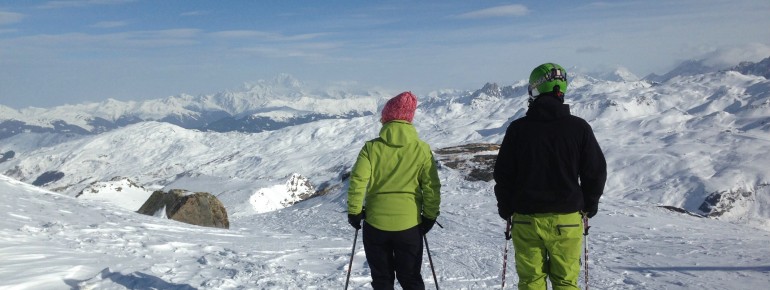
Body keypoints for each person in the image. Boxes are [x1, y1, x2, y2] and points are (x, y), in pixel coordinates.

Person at [493, 63, 607, 290]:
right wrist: (589, 205)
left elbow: (504, 174)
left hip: (526, 219)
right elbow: (595, 172)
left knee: (531, 282)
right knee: (565, 281)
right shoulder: (579, 128)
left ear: (535, 89)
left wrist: (506, 207)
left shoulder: (518, 129)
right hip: (567, 219)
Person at [347, 91, 442, 290]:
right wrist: (430, 216)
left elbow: (358, 181)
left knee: (382, 280)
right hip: (410, 226)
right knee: (410, 279)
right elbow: (431, 186)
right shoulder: (422, 149)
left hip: (376, 225)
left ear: (386, 117)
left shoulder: (370, 148)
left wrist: (355, 212)